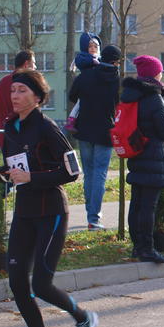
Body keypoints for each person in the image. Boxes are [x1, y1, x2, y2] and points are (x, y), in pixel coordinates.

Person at [0, 69, 98, 327]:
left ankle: (83, 317)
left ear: (38, 97)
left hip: (51, 212)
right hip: (24, 212)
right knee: (17, 284)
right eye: (12, 90)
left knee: (41, 284)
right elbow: (15, 170)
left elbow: (72, 172)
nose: (15, 96)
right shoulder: (10, 128)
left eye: (22, 91)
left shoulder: (47, 128)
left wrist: (32, 177)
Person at [122, 55, 164, 263]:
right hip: (153, 157)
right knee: (148, 207)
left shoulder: (131, 95)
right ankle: (147, 248)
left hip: (136, 154)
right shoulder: (154, 97)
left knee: (136, 204)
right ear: (155, 74)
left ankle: (137, 247)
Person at [68, 44, 121, 231]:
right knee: (100, 173)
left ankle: (91, 213)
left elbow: (72, 96)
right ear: (115, 62)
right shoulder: (117, 80)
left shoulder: (86, 75)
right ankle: (94, 218)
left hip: (84, 129)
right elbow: (119, 103)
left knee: (89, 173)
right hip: (105, 131)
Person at [0, 50, 36, 149]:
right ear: (26, 64)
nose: (35, 67)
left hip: (5, 138)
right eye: (34, 63)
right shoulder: (25, 84)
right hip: (21, 139)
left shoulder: (2, 81)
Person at [64, 32, 102, 132]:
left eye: (95, 46)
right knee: (79, 103)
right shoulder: (83, 56)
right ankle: (71, 120)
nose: (93, 48)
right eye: (90, 46)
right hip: (86, 85)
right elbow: (80, 62)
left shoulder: (99, 58)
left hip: (95, 86)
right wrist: (92, 61)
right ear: (85, 47)